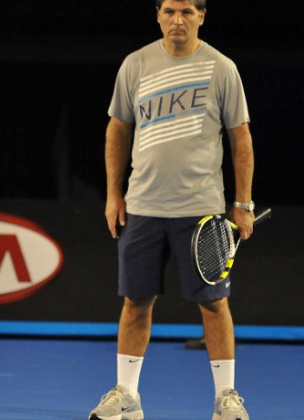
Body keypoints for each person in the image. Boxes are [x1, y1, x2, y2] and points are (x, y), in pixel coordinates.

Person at [89, 1, 254, 419]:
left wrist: (243, 203)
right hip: (143, 207)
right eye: (169, 11)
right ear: (157, 15)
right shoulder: (135, 64)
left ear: (202, 16)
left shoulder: (222, 68)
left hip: (202, 210)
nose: (177, 20)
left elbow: (241, 140)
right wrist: (113, 193)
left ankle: (226, 399)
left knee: (215, 304)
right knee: (135, 302)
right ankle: (126, 396)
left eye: (186, 11)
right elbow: (117, 129)